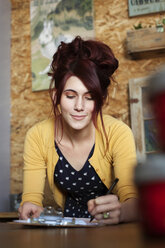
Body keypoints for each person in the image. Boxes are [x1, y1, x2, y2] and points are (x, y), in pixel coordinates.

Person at [19, 36, 138, 224]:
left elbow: (135, 201)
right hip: (66, 230)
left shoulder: (118, 133)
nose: (79, 106)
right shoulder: (37, 135)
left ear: (101, 99)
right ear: (57, 96)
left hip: (112, 232)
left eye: (89, 97)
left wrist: (121, 212)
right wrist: (30, 206)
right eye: (70, 95)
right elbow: (31, 198)